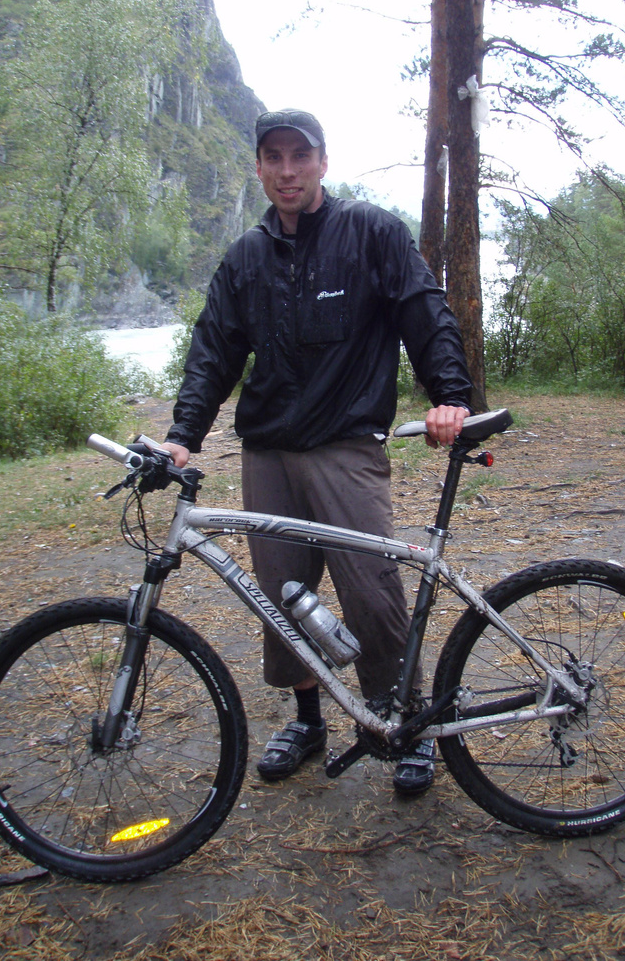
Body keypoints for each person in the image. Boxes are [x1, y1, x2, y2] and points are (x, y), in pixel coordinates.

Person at [164, 108, 474, 796]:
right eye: (273, 158)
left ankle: (406, 720)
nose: (287, 171)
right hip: (267, 452)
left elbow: (424, 310)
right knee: (280, 598)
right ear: (259, 167)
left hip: (345, 446)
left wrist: (451, 394)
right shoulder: (246, 258)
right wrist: (183, 436)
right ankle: (308, 721)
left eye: (299, 156)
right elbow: (213, 351)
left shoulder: (370, 232)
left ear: (323, 162)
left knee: (372, 590)